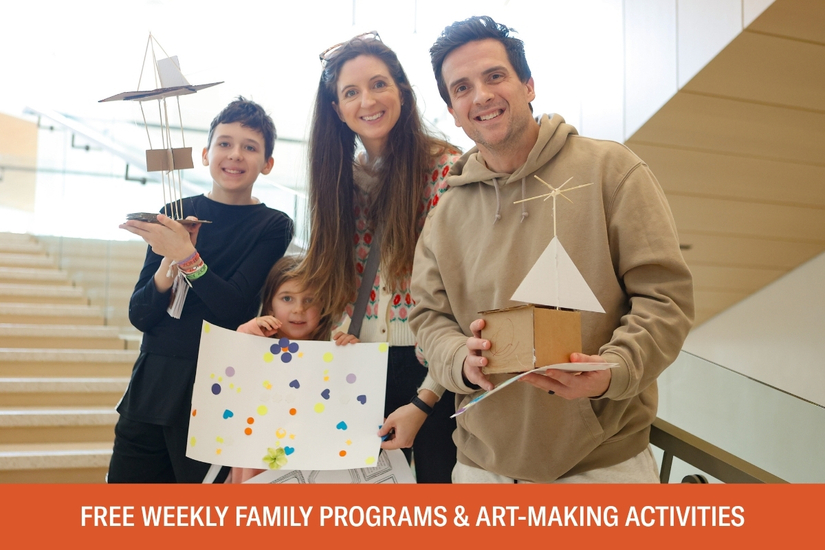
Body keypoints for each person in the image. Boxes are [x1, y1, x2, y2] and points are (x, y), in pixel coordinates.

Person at [410, 16, 694, 483]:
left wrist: (615, 369)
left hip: (604, 465)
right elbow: (427, 318)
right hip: (482, 469)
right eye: (461, 88)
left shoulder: (611, 169)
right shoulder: (446, 211)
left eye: (495, 76)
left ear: (528, 85)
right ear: (454, 111)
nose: (480, 95)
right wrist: (459, 357)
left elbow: (665, 298)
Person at [295, 32, 461, 483]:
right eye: (351, 92)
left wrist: (428, 396)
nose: (367, 100)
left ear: (402, 93)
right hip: (357, 365)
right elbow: (333, 279)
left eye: (378, 84)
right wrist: (334, 333)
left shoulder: (447, 169)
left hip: (430, 368)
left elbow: (459, 295)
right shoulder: (338, 179)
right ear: (337, 109)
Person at [109, 97, 294, 483]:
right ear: (206, 152)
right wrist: (168, 262)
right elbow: (141, 315)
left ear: (268, 163)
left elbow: (231, 307)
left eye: (250, 147)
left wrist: (187, 255)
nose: (235, 155)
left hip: (214, 392)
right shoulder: (176, 210)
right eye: (225, 143)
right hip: (150, 387)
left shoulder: (273, 225)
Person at [229, 255, 358, 483]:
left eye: (310, 300)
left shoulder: (331, 352)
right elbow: (233, 359)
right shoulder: (257, 346)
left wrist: (351, 353)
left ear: (324, 306)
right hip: (258, 460)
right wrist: (250, 330)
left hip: (312, 461)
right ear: (270, 304)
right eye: (287, 298)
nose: (299, 309)